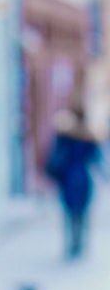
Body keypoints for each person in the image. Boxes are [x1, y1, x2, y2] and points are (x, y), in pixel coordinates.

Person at [46, 106, 104, 260]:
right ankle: (79, 241)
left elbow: (56, 155)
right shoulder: (88, 137)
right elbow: (97, 159)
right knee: (83, 211)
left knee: (69, 212)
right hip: (83, 178)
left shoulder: (65, 136)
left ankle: (72, 242)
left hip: (68, 178)